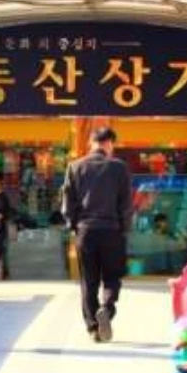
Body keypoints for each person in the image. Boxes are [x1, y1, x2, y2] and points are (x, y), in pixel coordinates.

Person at [61, 127, 133, 343]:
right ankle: (107, 308)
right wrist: (124, 229)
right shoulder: (119, 167)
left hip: (85, 230)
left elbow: (67, 204)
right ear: (109, 143)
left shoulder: (75, 166)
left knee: (89, 281)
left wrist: (74, 226)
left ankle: (93, 327)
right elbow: (126, 204)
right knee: (112, 276)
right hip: (112, 229)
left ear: (91, 143)